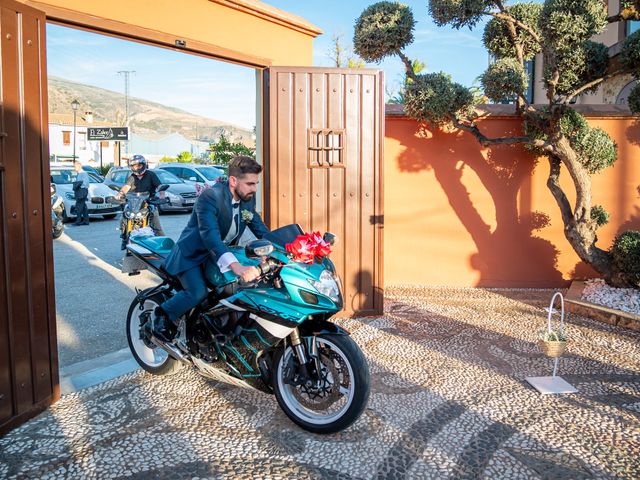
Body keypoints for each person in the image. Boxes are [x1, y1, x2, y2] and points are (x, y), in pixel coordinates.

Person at [152, 155, 269, 342]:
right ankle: (162, 314)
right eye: (250, 184)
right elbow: (210, 236)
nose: (254, 189)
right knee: (197, 293)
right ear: (233, 180)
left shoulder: (247, 199)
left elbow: (259, 228)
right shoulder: (211, 196)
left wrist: (278, 248)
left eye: (256, 183)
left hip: (218, 255)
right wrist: (236, 267)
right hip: (192, 255)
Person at [117, 154, 165, 238]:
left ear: (144, 165)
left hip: (148, 202)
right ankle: (124, 234)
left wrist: (162, 195)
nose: (137, 168)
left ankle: (162, 243)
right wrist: (120, 194)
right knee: (124, 215)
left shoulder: (151, 174)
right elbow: (126, 187)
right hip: (135, 203)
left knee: (156, 223)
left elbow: (159, 186)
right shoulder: (132, 177)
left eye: (139, 165)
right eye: (134, 166)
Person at [72, 161, 90, 226]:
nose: (74, 168)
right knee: (83, 207)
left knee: (79, 206)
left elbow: (86, 183)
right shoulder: (80, 173)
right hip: (81, 191)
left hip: (82, 191)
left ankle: (78, 222)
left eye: (75, 166)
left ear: (79, 166)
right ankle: (86, 221)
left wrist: (77, 186)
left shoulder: (83, 173)